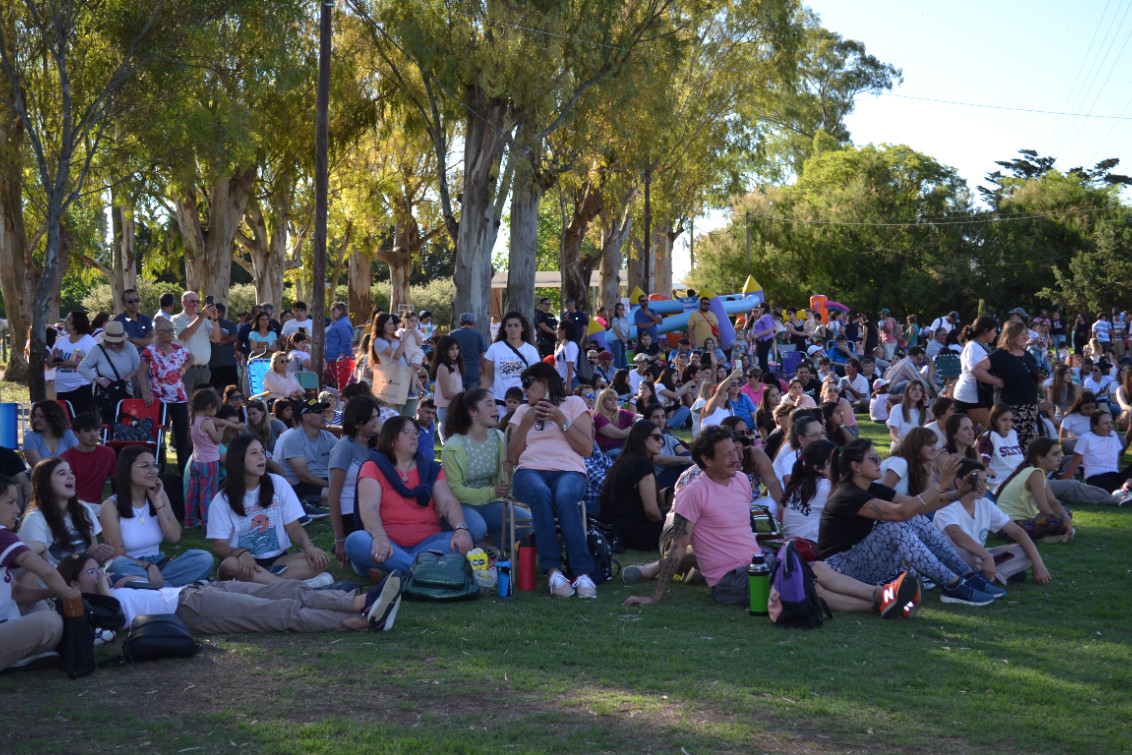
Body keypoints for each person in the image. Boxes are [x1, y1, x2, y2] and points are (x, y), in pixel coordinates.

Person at [621, 427, 920, 619]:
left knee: (816, 569)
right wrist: (655, 595)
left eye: (736, 451)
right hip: (730, 579)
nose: (737, 458)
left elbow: (741, 531)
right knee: (806, 587)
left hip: (760, 561)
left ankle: (883, 596)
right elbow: (678, 548)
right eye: (727, 455)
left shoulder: (740, 481)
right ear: (705, 459)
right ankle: (881, 599)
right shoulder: (693, 493)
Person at [817, 439, 1002, 607]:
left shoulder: (873, 488)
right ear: (856, 466)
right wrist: (942, 484)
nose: (879, 461)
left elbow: (919, 507)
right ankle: (953, 584)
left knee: (916, 517)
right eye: (873, 458)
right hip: (839, 571)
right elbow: (900, 513)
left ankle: (967, 576)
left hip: (860, 565)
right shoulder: (848, 495)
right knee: (894, 526)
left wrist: (958, 493)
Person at [60, 552, 401, 635]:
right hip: (189, 607)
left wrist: (124, 580)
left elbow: (158, 585)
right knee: (277, 611)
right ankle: (356, 621)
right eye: (91, 572)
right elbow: (109, 628)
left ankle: (359, 601)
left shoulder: (114, 588)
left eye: (98, 569)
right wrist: (104, 590)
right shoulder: (91, 612)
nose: (100, 575)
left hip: (200, 588)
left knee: (285, 588)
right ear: (74, 585)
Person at [506, 362, 598, 598]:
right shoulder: (523, 411)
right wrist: (526, 421)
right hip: (529, 471)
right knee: (540, 492)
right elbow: (512, 456)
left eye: (528, 384)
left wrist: (560, 419)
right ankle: (553, 571)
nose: (524, 391)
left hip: (569, 471)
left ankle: (582, 573)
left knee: (565, 496)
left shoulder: (574, 404)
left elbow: (587, 449)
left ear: (545, 383)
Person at [344, 415, 477, 576]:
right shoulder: (372, 467)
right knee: (356, 541)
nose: (414, 436)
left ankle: (396, 570)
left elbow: (447, 502)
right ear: (391, 439)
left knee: (457, 542)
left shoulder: (431, 468)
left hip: (428, 542)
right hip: (387, 542)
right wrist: (379, 537)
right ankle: (424, 569)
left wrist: (461, 530)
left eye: (416, 432)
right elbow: (369, 507)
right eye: (406, 432)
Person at [206, 434, 332, 586]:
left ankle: (265, 584)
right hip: (242, 563)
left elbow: (294, 527)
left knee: (320, 559)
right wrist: (241, 553)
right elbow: (218, 545)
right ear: (238, 459)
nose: (262, 457)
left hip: (277, 562)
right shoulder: (222, 499)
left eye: (262, 452)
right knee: (230, 565)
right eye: (254, 453)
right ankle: (290, 587)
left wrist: (308, 547)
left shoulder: (278, 483)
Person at [99, 446, 214, 586]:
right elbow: (117, 555)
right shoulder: (111, 506)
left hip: (160, 564)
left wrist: (158, 503)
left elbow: (175, 537)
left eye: (154, 466)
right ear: (127, 469)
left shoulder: (159, 495)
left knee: (204, 558)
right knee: (118, 564)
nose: (153, 471)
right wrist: (147, 566)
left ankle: (152, 587)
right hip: (130, 566)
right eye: (145, 466)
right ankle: (171, 590)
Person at [0, 474, 79, 673]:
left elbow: (16, 593)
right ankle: (14, 656)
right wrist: (69, 595)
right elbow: (46, 571)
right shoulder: (1, 535)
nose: (17, 510)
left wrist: (49, 593)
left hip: (7, 619)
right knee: (51, 622)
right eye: (10, 502)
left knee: (41, 603)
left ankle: (17, 655)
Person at [933, 459, 1051, 585]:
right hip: (954, 557)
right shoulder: (948, 505)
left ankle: (984, 577)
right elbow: (956, 534)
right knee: (967, 555)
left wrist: (1038, 564)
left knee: (1025, 552)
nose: (983, 486)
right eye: (977, 481)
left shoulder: (985, 504)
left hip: (979, 557)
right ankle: (991, 576)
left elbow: (1017, 532)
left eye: (985, 481)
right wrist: (987, 556)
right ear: (959, 482)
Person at [441, 388, 532, 546]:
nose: (496, 409)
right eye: (489, 405)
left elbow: (506, 485)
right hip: (460, 505)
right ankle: (459, 547)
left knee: (528, 522)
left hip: (489, 503)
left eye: (495, 404)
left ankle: (486, 550)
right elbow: (456, 491)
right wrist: (492, 492)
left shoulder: (498, 438)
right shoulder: (453, 447)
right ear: (473, 412)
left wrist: (510, 474)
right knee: (477, 529)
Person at [17, 457, 114, 568]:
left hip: (83, 579)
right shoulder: (36, 519)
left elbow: (91, 554)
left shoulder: (83, 509)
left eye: (71, 472)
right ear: (46, 482)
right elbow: (34, 569)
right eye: (62, 473)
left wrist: (99, 556)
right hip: (52, 583)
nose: (71, 476)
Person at [327, 396, 383, 567]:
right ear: (358, 423)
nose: (377, 422)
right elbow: (333, 496)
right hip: (350, 516)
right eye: (372, 418)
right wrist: (340, 539)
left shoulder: (376, 445)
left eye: (377, 417)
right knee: (371, 558)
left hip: (375, 512)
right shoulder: (345, 447)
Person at [971, 320, 1042, 452]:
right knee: (1009, 447)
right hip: (1009, 410)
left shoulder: (1027, 356)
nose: (1026, 337)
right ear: (1011, 335)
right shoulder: (1000, 355)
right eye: (1022, 334)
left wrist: (1039, 379)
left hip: (1029, 410)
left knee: (1025, 450)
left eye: (1027, 334)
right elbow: (977, 369)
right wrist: (995, 381)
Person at [598, 421, 667, 550]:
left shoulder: (623, 461)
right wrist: (665, 526)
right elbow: (652, 512)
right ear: (642, 438)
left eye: (662, 437)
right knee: (682, 518)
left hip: (615, 531)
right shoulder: (641, 465)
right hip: (634, 534)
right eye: (656, 437)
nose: (661, 442)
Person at [995, 438, 1075, 541]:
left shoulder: (1037, 473)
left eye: (1059, 454)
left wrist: (1068, 522)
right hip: (1010, 527)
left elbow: (1053, 503)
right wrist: (1063, 523)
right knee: (1059, 520)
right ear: (1040, 458)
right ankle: (1046, 538)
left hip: (1019, 523)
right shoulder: (1035, 474)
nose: (1060, 459)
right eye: (1055, 454)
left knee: (1065, 512)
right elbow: (1045, 510)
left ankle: (1050, 535)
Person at [140, 319, 192, 473]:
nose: (171, 334)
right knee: (159, 433)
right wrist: (145, 394)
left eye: (172, 330)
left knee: (182, 435)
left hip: (179, 397)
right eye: (166, 331)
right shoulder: (151, 350)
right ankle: (159, 467)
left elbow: (191, 358)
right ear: (158, 333)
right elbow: (141, 373)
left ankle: (183, 471)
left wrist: (183, 370)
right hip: (159, 398)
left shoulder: (179, 349)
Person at [186, 388, 243, 528]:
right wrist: (221, 431)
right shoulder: (207, 423)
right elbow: (217, 440)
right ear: (210, 407)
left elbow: (216, 420)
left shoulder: (195, 419)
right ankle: (208, 522)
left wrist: (235, 426)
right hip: (209, 462)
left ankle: (190, 519)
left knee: (193, 492)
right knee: (208, 494)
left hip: (197, 461)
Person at [276, 397, 337, 511]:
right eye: (319, 411)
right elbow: (303, 476)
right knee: (338, 495)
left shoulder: (328, 437)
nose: (324, 414)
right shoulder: (293, 439)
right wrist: (332, 485)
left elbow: (344, 458)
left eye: (323, 411)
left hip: (324, 481)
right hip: (301, 486)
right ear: (305, 416)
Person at [780, 440, 836, 555]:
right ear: (818, 468)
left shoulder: (799, 483)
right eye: (834, 462)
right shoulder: (824, 487)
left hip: (792, 551)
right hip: (811, 553)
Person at [483, 311, 540, 417]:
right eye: (509, 325)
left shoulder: (531, 351)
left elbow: (535, 378)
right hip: (499, 403)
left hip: (522, 403)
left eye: (516, 325)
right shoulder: (494, 349)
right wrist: (476, 396)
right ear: (504, 328)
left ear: (522, 328)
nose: (512, 329)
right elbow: (488, 377)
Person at [1061, 410, 1132, 493]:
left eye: (1111, 423)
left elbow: (1117, 461)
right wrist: (1063, 484)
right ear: (1095, 426)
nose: (1110, 426)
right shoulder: (1086, 439)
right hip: (1095, 478)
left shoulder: (1113, 435)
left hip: (1114, 475)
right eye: (1105, 423)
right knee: (1116, 488)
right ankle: (1124, 490)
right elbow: (1074, 465)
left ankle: (1126, 487)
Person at [59, 413, 116, 506]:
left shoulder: (109, 453)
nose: (93, 434)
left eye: (97, 430)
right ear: (76, 433)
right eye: (87, 430)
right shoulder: (65, 458)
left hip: (98, 507)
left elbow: (116, 481)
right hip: (73, 506)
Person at [171, 291, 220, 399]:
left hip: (204, 371)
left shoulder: (205, 321)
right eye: (192, 301)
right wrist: (202, 317)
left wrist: (215, 319)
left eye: (198, 301)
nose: (196, 304)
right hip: (187, 370)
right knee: (186, 405)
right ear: (184, 303)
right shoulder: (176, 319)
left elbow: (217, 339)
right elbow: (185, 335)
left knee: (203, 405)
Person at [50, 310, 99, 417]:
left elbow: (92, 362)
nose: (65, 321)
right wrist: (53, 358)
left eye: (69, 320)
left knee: (82, 424)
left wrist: (68, 363)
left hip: (82, 389)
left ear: (77, 323)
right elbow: (49, 362)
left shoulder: (88, 341)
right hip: (62, 389)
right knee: (65, 424)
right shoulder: (61, 341)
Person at [370, 313, 419, 416]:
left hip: (408, 379)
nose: (393, 326)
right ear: (381, 326)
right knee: (397, 415)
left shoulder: (396, 338)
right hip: (394, 382)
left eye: (393, 323)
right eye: (389, 324)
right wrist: (405, 339)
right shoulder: (379, 341)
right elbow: (396, 355)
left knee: (410, 416)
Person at [976, 403, 1025, 488]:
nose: (1008, 424)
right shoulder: (989, 436)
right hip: (1002, 484)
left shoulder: (1013, 434)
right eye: (1004, 420)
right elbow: (982, 467)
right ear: (994, 420)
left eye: (1010, 420)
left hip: (1022, 479)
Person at [22, 400, 78, 468]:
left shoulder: (69, 435)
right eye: (35, 416)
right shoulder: (30, 438)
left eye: (40, 416)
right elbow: (38, 468)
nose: (36, 419)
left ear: (53, 417)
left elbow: (76, 462)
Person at [430, 335, 464, 439]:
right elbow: (446, 393)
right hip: (446, 409)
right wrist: (464, 396)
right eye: (451, 349)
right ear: (444, 350)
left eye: (457, 348)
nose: (455, 352)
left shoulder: (455, 366)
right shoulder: (443, 368)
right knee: (452, 440)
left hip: (456, 407)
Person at [449, 312, 490, 389]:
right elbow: (484, 357)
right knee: (471, 399)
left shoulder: (452, 334)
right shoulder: (478, 336)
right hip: (473, 372)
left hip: (456, 371)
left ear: (460, 323)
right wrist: (484, 374)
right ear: (473, 323)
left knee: (457, 399)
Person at [887, 379, 929, 453]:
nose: (917, 392)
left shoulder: (921, 412)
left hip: (916, 450)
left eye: (920, 390)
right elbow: (893, 434)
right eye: (914, 389)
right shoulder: (897, 409)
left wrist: (927, 406)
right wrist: (902, 443)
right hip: (900, 449)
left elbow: (932, 423)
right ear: (907, 391)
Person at [592, 388, 636, 456]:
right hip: (609, 452)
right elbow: (620, 434)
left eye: (615, 399)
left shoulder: (622, 413)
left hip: (625, 448)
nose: (614, 402)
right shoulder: (598, 418)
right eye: (610, 399)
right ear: (602, 402)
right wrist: (636, 427)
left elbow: (643, 418)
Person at [323, 302, 354, 390]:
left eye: (333, 309)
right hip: (332, 358)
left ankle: (344, 402)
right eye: (330, 310)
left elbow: (346, 341)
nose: (331, 312)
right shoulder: (336, 323)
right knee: (337, 384)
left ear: (341, 311)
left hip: (338, 359)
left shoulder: (343, 323)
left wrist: (341, 356)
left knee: (342, 383)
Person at [113, 288, 154, 353]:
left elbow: (151, 342)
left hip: (146, 360)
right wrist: (143, 341)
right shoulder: (117, 321)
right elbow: (120, 346)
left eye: (137, 300)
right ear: (123, 304)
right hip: (127, 361)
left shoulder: (146, 319)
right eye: (130, 301)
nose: (134, 303)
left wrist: (131, 339)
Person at [554, 321, 580, 390]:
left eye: (558, 329)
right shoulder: (562, 345)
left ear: (564, 330)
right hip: (561, 382)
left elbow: (570, 365)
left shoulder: (570, 344)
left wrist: (568, 385)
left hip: (570, 382)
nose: (556, 331)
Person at [609, 303, 631, 368]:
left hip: (625, 340)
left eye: (622, 309)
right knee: (618, 360)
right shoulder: (615, 320)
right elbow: (617, 331)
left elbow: (628, 330)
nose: (621, 311)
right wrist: (623, 339)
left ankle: (624, 375)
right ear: (616, 310)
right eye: (619, 310)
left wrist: (626, 339)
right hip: (617, 341)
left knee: (624, 360)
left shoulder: (625, 319)